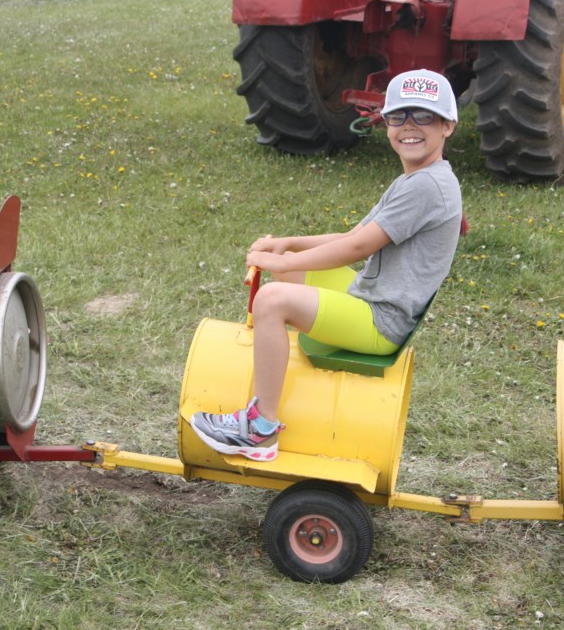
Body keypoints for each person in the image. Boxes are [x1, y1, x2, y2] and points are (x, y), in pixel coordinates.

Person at [192, 69, 463, 461]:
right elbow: (354, 233)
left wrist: (277, 258)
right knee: (285, 268)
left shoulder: (426, 186)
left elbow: (356, 248)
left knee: (271, 300)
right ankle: (286, 373)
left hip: (380, 320)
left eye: (423, 117)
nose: (408, 127)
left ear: (448, 126)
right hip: (371, 295)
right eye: (398, 116)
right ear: (384, 122)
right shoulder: (417, 177)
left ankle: (260, 429)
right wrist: (287, 246)